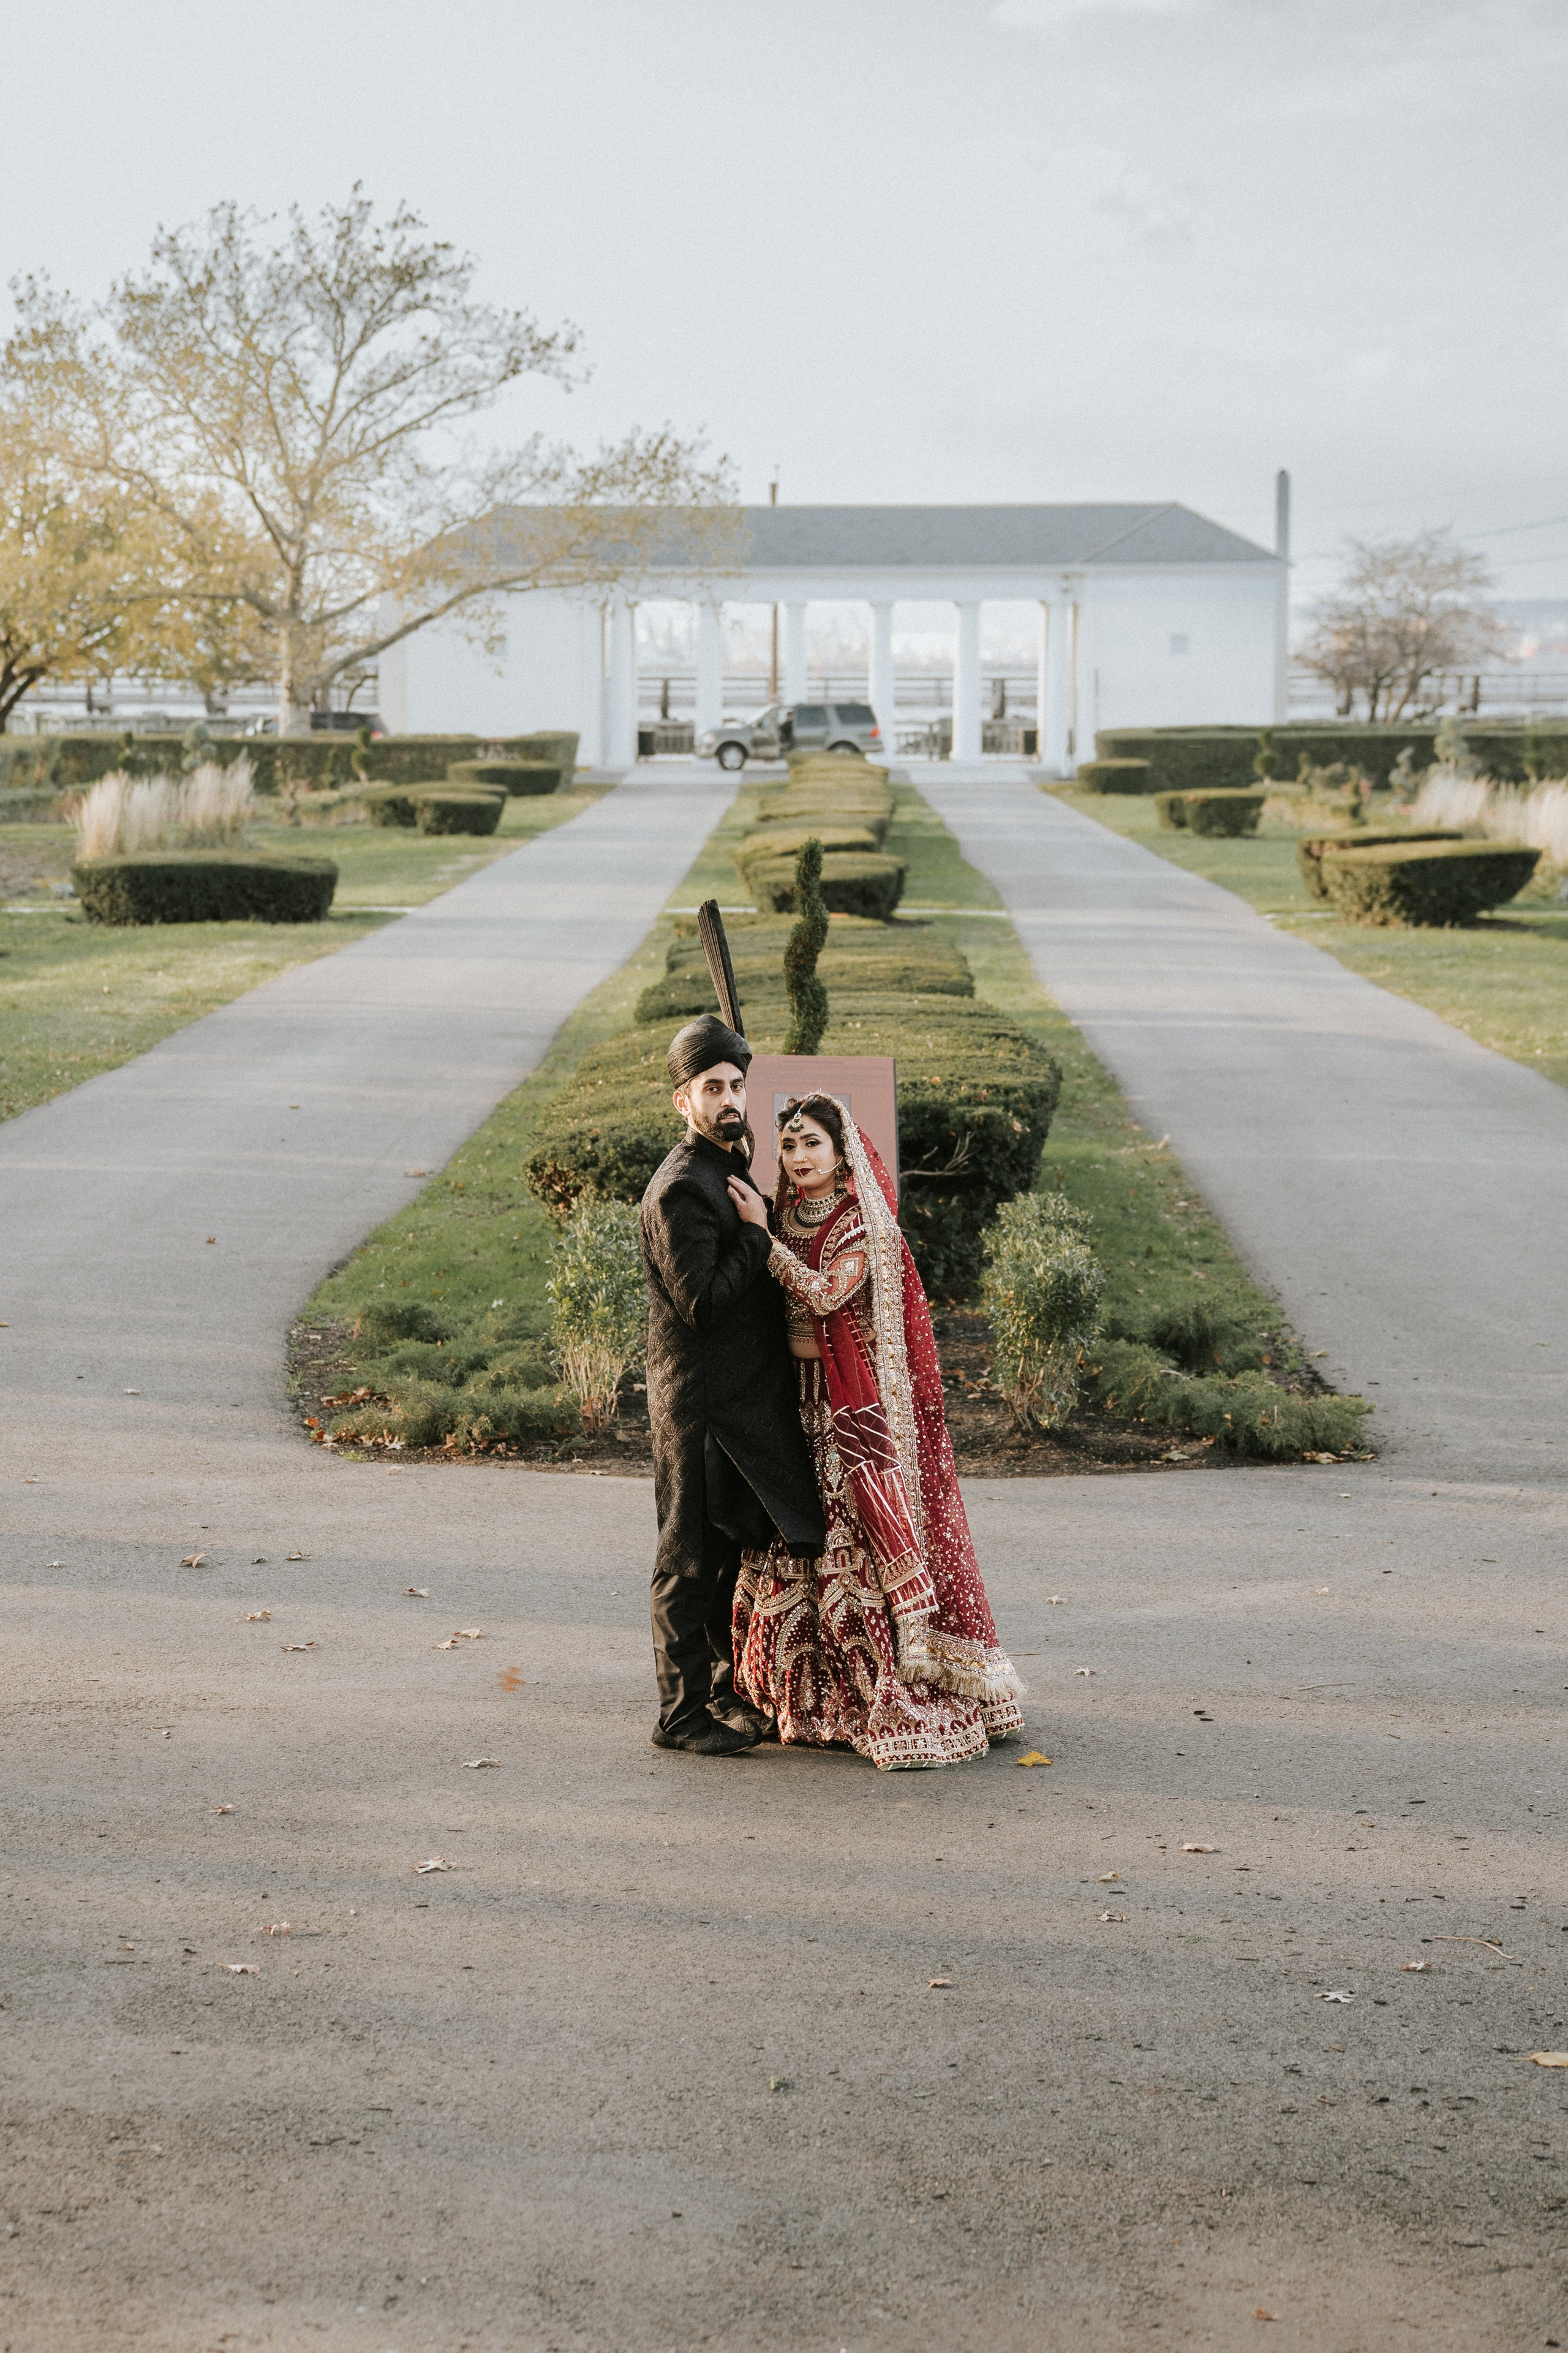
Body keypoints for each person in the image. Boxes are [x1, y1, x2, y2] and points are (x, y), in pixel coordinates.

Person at [728, 1093, 1024, 1770]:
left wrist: (761, 1240)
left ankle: (877, 1690)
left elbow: (827, 1293)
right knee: (793, 1538)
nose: (798, 1157)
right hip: (791, 1404)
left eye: (812, 1143)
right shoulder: (781, 1215)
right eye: (788, 1146)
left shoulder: (858, 1222)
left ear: (842, 1153)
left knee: (850, 1537)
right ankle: (800, 1695)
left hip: (846, 1412)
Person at [639, 1016, 827, 1755]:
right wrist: (756, 1235)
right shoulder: (680, 1190)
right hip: (701, 1406)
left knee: (731, 1553)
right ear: (682, 1100)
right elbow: (702, 1304)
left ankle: (723, 1691)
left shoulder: (731, 1162)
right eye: (711, 1087)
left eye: (737, 1085)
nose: (728, 1099)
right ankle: (679, 1716)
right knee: (686, 1558)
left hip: (745, 1402)